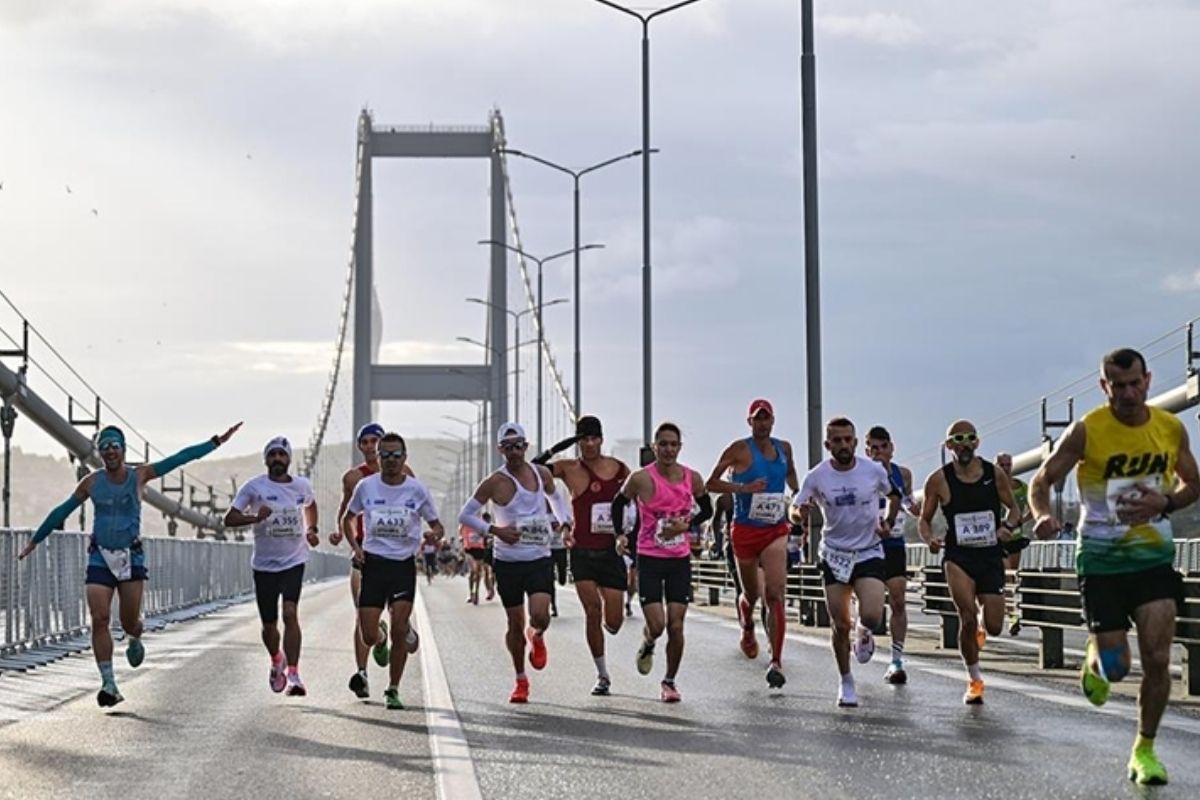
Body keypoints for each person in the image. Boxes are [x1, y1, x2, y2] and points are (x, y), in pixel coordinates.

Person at [1030, 348, 1197, 786]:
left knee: (1158, 657)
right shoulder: (1087, 430)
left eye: (1134, 383)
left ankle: (1145, 749)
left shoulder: (1170, 428)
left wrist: (1166, 502)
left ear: (1148, 380)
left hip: (1153, 560)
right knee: (1117, 668)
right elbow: (1042, 479)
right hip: (1101, 563)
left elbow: (1193, 483)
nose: (1127, 393)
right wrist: (1042, 514)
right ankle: (1097, 661)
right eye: (1117, 386)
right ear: (1105, 386)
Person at [19, 422, 242, 707]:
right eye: (104, 447)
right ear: (99, 452)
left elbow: (179, 459)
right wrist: (36, 540)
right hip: (100, 556)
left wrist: (215, 442)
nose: (110, 451)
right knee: (99, 618)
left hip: (130, 557)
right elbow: (62, 511)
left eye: (115, 445)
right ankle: (109, 684)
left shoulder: (139, 476)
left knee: (129, 622)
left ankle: (135, 635)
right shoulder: (90, 482)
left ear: (123, 449)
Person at [458, 422, 572, 703]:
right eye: (508, 447)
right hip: (508, 561)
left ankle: (537, 634)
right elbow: (465, 515)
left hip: (539, 557)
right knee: (514, 621)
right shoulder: (494, 482)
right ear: (501, 450)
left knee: (540, 615)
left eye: (518, 445)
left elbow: (556, 498)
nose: (514, 451)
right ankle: (521, 680)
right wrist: (496, 531)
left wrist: (564, 523)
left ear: (526, 446)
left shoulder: (542, 473)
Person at [789, 417, 897, 708]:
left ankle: (864, 629)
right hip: (834, 553)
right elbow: (795, 507)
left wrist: (888, 521)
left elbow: (894, 495)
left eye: (848, 440)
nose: (843, 445)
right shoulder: (817, 476)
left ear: (855, 442)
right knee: (839, 624)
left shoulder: (873, 471)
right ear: (828, 445)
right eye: (837, 441)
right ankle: (846, 681)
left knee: (872, 615)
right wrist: (799, 515)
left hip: (868, 550)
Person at [918, 421, 1022, 705]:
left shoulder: (993, 473)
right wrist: (929, 539)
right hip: (958, 556)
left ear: (977, 442)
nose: (964, 443)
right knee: (966, 616)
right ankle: (974, 680)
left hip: (989, 555)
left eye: (969, 438)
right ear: (949, 445)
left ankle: (981, 628)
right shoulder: (938, 480)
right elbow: (924, 519)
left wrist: (1008, 527)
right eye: (958, 439)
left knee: (995, 625)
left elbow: (1014, 508)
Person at [612, 422, 712, 703]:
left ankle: (669, 681)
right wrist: (620, 535)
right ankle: (648, 642)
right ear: (654, 447)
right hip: (650, 559)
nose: (668, 449)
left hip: (679, 560)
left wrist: (686, 525)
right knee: (657, 625)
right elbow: (618, 503)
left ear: (680, 447)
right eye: (663, 444)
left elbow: (707, 509)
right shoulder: (640, 479)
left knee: (676, 626)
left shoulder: (692, 478)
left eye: (673, 444)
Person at [342, 432, 443, 710]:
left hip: (402, 565)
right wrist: (355, 546)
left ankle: (393, 688)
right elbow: (348, 518)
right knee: (368, 635)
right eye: (384, 455)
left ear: (404, 457)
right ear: (377, 457)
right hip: (373, 565)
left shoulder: (416, 489)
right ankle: (381, 636)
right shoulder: (366, 487)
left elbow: (437, 525)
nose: (390, 460)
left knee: (401, 629)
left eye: (396, 455)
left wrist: (434, 535)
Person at [705, 399, 799, 689]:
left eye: (766, 418)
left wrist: (799, 495)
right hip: (745, 531)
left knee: (775, 593)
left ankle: (776, 661)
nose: (762, 423)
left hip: (775, 529)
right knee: (752, 594)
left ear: (773, 420)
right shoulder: (738, 449)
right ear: (750, 422)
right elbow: (711, 483)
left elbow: (791, 473)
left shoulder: (784, 448)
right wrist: (743, 488)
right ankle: (747, 625)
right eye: (757, 418)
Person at [535, 415, 632, 696]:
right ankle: (602, 675)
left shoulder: (619, 468)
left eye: (593, 438)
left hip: (611, 551)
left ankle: (607, 621)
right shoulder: (569, 468)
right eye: (583, 439)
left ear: (601, 439)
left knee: (614, 623)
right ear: (577, 441)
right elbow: (534, 469)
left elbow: (636, 502)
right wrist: (557, 448)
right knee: (592, 611)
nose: (589, 444)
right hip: (582, 551)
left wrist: (629, 535)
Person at [224, 436, 320, 696]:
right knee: (269, 626)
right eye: (273, 454)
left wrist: (312, 529)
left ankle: (294, 675)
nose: (277, 458)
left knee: (290, 613)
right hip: (264, 565)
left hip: (294, 560)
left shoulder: (302, 486)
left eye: (282, 454)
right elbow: (229, 518)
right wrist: (255, 517)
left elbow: (311, 505)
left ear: (289, 459)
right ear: (266, 459)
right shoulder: (254, 487)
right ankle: (277, 659)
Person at [329, 422, 416, 699]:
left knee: (397, 617)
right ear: (360, 446)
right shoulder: (353, 478)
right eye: (364, 442)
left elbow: (414, 508)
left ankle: (398, 631)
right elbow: (346, 510)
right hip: (365, 554)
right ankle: (363, 670)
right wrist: (341, 534)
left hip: (396, 555)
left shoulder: (405, 473)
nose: (369, 446)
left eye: (373, 441)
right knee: (361, 613)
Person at [864, 425, 919, 685]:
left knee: (898, 601)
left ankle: (896, 660)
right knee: (869, 607)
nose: (879, 452)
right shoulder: (860, 475)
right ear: (867, 452)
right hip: (867, 544)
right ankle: (863, 629)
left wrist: (914, 508)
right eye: (873, 448)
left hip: (894, 543)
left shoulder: (902, 474)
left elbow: (906, 500)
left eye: (883, 447)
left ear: (891, 448)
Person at [996, 451, 1033, 635]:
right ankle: (1009, 614)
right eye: (1001, 465)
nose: (1005, 468)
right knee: (1006, 576)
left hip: (1015, 538)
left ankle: (1010, 614)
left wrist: (1020, 521)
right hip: (996, 540)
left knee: (1011, 578)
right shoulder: (992, 486)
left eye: (1008, 465)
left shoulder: (1021, 487)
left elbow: (1033, 508)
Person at [462, 518, 492, 605]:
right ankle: (471, 593)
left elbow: (486, 534)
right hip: (469, 550)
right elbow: (462, 535)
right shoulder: (465, 524)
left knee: (478, 572)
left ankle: (476, 592)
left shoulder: (481, 524)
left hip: (480, 550)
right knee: (473, 571)